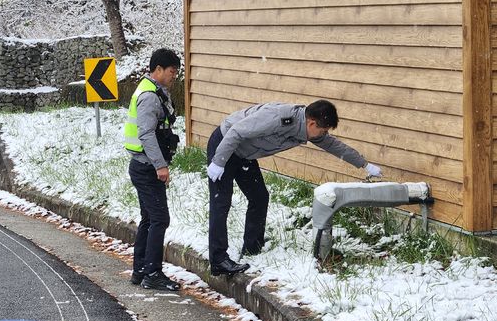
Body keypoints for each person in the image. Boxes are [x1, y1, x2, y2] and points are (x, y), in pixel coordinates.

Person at [206, 100, 383, 275]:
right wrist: (218, 161)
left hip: (245, 154)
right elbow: (236, 131)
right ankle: (218, 260)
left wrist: (365, 165)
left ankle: (253, 247)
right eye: (322, 130)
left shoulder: (308, 128)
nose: (323, 134)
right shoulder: (279, 117)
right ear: (312, 122)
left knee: (259, 198)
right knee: (221, 202)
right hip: (225, 145)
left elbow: (335, 146)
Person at [124, 48, 181, 291]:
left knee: (149, 218)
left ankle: (140, 270)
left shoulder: (152, 91)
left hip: (142, 165)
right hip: (147, 167)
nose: (173, 76)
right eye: (171, 71)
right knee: (159, 218)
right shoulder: (149, 95)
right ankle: (152, 273)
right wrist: (161, 166)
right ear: (158, 69)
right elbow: (146, 133)